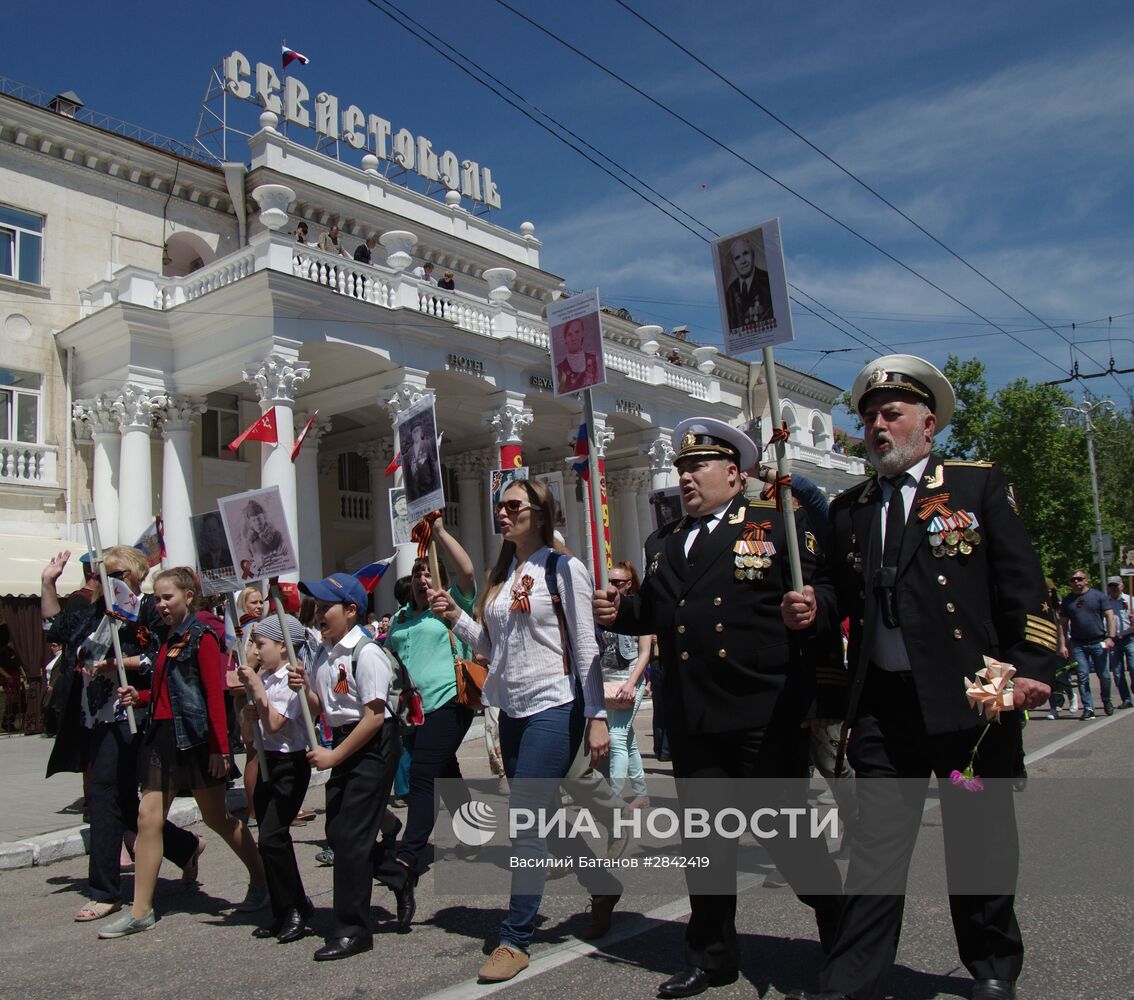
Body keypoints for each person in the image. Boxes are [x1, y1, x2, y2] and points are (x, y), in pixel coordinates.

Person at [782, 354, 1059, 1000]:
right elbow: (836, 593)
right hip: (885, 707)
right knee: (877, 847)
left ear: (927, 424)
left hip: (971, 703)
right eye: (870, 417)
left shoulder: (976, 488)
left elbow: (1023, 586)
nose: (878, 426)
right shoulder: (851, 509)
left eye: (892, 414)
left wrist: (1035, 668)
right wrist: (814, 606)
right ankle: (853, 979)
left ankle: (992, 965)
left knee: (977, 839)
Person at [595, 417, 844, 999]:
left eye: (698, 466)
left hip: (763, 709)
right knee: (706, 845)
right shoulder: (662, 544)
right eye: (681, 468)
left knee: (789, 837)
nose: (686, 477)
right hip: (695, 717)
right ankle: (711, 956)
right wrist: (618, 613)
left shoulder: (775, 523)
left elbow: (827, 588)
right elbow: (657, 613)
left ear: (734, 473)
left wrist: (815, 607)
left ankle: (839, 927)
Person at [430, 477, 610, 984]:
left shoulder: (563, 567)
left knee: (527, 820)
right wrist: (455, 616)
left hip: (556, 704)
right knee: (546, 818)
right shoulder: (502, 574)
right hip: (512, 709)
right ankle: (604, 884)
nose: (502, 513)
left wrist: (596, 716)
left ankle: (515, 938)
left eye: (512, 505)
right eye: (498, 506)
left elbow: (587, 645)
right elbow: (490, 646)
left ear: (540, 512)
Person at [100, 567, 267, 938]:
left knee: (217, 818)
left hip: (196, 741)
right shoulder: (166, 636)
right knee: (148, 817)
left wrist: (221, 750)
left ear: (188, 596)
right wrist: (139, 696)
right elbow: (165, 691)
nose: (159, 604)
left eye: (167, 597)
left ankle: (262, 879)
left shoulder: (203, 636)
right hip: (161, 738)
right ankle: (141, 909)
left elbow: (212, 694)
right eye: (157, 598)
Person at [40, 548, 203, 922]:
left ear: (130, 575)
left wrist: (117, 663)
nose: (101, 581)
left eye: (110, 573)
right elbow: (55, 628)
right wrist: (48, 582)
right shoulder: (95, 612)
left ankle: (105, 890)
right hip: (95, 719)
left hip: (134, 716)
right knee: (125, 804)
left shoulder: (146, 610)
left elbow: (159, 654)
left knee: (102, 794)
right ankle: (186, 846)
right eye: (98, 574)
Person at [293, 572, 403, 961]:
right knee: (338, 832)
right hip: (344, 740)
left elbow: (374, 717)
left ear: (352, 611)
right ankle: (399, 876)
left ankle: (353, 930)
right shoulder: (324, 652)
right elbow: (323, 708)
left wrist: (334, 758)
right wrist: (303, 688)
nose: (319, 614)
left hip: (373, 743)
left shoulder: (367, 652)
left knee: (352, 840)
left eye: (326, 608)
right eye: (317, 608)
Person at [374, 516, 477, 929]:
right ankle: (471, 823)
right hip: (412, 711)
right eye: (416, 574)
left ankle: (409, 856)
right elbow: (385, 656)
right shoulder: (399, 620)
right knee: (443, 767)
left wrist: (438, 534)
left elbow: (467, 571)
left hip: (451, 700)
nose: (421, 579)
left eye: (426, 572)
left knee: (422, 773)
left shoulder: (449, 604)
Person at [239, 613, 315, 943]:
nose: (255, 651)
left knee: (272, 836)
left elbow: (275, 724)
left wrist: (256, 688)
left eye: (261, 644)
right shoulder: (267, 677)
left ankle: (296, 907)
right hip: (268, 760)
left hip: (290, 765)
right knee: (269, 840)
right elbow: (250, 735)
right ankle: (285, 907)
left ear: (283, 647)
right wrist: (247, 712)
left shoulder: (289, 679)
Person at [601, 561, 651, 806]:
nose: (612, 586)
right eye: (609, 581)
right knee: (627, 737)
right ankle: (641, 792)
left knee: (616, 737)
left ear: (629, 584)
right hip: (608, 681)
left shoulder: (640, 609)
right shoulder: (606, 610)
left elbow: (644, 652)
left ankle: (614, 799)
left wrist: (632, 682)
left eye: (617, 582)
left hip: (631, 678)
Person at [1060, 569, 1117, 718]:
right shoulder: (1068, 600)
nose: (1076, 582)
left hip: (1098, 641)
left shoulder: (1098, 596)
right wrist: (1063, 644)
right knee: (1082, 675)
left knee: (1104, 675)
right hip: (1078, 643)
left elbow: (1110, 616)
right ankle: (1088, 707)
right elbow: (1063, 624)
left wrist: (1111, 637)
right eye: (1073, 580)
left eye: (1079, 579)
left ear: (1086, 580)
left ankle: (1106, 699)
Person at [723, 236, 773, 333]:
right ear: (733, 263)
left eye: (745, 253)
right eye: (737, 258)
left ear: (753, 255)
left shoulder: (767, 282)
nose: (743, 261)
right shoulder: (730, 292)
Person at [1105, 576, 1134, 708]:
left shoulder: (1131, 600)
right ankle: (1126, 699)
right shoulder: (1105, 603)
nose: (1113, 588)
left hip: (1130, 637)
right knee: (1117, 671)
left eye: (1116, 585)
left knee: (1133, 666)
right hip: (1114, 639)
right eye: (1111, 586)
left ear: (1122, 586)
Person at [555, 317, 602, 394]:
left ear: (582, 334)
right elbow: (562, 392)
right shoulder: (560, 369)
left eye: (577, 332)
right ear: (565, 338)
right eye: (569, 334)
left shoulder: (595, 361)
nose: (573, 338)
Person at [403, 421, 439, 502]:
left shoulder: (426, 444)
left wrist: (434, 484)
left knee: (431, 513)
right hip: (415, 489)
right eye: (414, 431)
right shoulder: (410, 451)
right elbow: (408, 474)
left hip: (427, 485)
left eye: (417, 430)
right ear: (412, 434)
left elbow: (432, 463)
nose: (416, 433)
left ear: (420, 432)